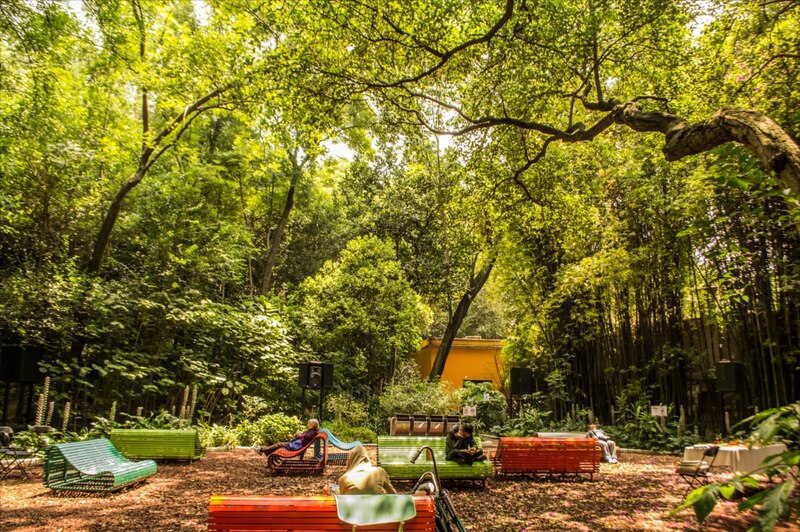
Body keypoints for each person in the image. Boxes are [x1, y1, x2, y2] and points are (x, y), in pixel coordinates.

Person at [325, 445, 397, 495]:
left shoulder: (344, 478)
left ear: (350, 459)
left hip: (353, 516)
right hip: (379, 515)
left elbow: (341, 497)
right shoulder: (379, 472)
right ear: (366, 457)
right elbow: (393, 494)